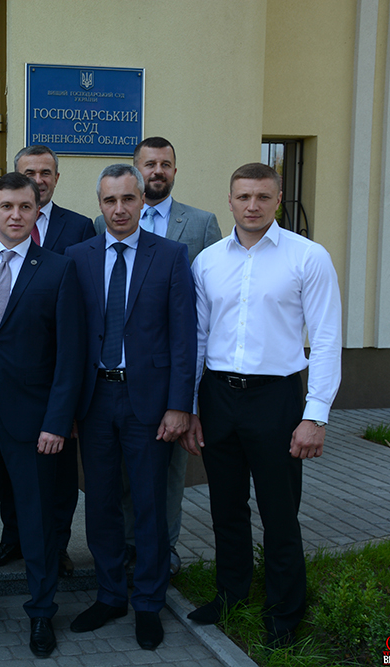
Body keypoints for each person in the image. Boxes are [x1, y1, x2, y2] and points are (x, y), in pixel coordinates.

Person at [183, 163, 341, 648]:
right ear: (229, 200)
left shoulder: (307, 257)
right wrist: (191, 406)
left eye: (263, 197)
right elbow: (198, 337)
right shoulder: (207, 261)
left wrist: (315, 414)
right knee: (225, 506)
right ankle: (230, 594)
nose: (252, 206)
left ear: (277, 200)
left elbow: (327, 338)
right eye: (244, 196)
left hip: (276, 398)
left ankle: (284, 613)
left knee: (279, 511)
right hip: (218, 396)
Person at [0, 172, 84, 658]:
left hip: (34, 422)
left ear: (36, 212)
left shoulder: (59, 269)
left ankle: (42, 611)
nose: (15, 215)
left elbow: (70, 355)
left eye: (25, 207)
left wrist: (57, 421)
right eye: (6, 206)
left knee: (36, 520)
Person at [64, 164, 196, 651]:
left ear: (142, 201)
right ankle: (110, 595)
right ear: (99, 204)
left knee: (149, 504)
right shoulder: (77, 256)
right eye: (109, 200)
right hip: (95, 399)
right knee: (100, 503)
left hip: (150, 403)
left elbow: (184, 338)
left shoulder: (171, 256)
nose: (118, 209)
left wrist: (179, 405)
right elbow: (69, 335)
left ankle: (148, 602)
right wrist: (66, 408)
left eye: (127, 199)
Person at [108, 136, 222, 576]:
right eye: (149, 164)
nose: (158, 171)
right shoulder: (106, 223)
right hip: (122, 369)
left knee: (170, 470)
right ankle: (127, 545)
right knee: (123, 471)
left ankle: (165, 547)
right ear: (136, 171)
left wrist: (191, 392)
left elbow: (207, 304)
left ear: (175, 170)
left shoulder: (202, 223)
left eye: (165, 164)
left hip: (172, 369)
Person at [0, 144, 96, 578]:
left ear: (56, 178)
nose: (39, 179)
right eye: (30, 172)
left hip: (51, 383)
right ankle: (14, 539)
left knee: (58, 477)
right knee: (10, 476)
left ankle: (56, 546)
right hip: (6, 384)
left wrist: (68, 404)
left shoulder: (79, 226)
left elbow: (81, 306)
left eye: (46, 172)